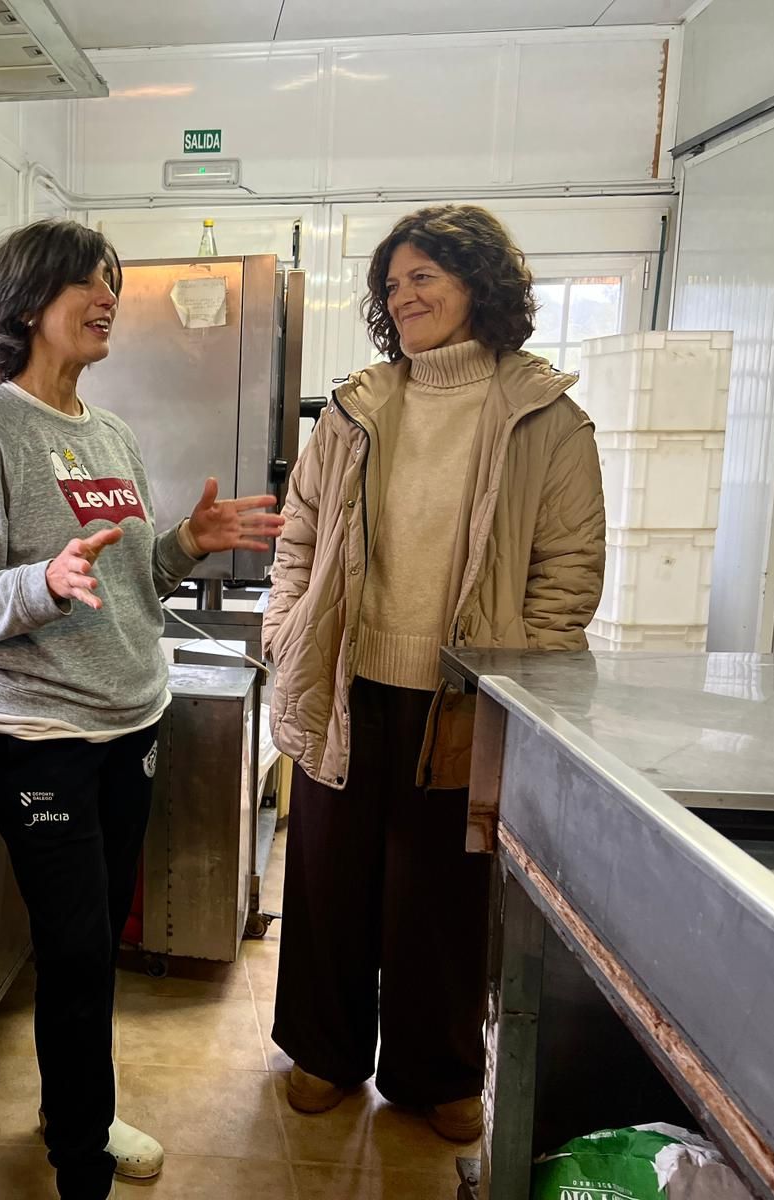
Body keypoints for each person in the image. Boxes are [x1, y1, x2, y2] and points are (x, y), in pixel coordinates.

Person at [0, 218, 284, 1200]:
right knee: (77, 949)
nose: (107, 295)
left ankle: (66, 1109)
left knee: (96, 949)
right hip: (40, 741)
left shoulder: (108, 433)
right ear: (27, 302)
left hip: (129, 725)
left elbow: (122, 583)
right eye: (87, 280)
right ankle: (77, 1162)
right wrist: (39, 580)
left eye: (111, 280)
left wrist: (182, 546)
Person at [261, 204, 605, 1142]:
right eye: (393, 282)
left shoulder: (544, 414)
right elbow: (299, 532)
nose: (403, 295)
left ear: (478, 284)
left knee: (442, 896)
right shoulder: (360, 404)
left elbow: (567, 569)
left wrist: (515, 674)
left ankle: (436, 1071)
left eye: (425, 277)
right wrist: (286, 625)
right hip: (345, 678)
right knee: (328, 878)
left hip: (465, 693)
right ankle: (323, 1052)